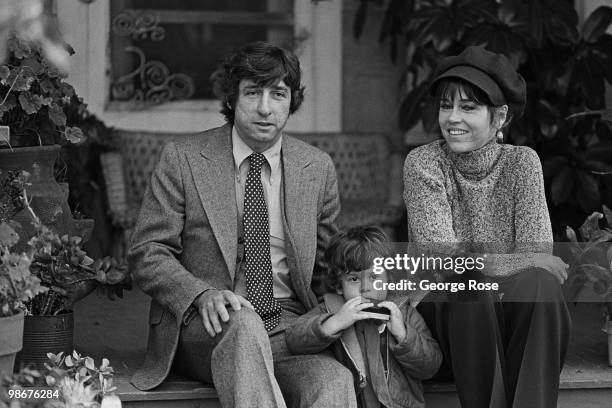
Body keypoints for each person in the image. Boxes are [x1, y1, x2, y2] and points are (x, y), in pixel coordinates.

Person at [128, 41, 357, 408]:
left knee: (333, 381)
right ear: (232, 98)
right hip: (209, 325)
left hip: (289, 326)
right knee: (243, 324)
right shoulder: (183, 159)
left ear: (292, 101)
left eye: (278, 94)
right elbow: (147, 252)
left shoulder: (316, 167)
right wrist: (201, 294)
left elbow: (331, 264)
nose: (265, 108)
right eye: (252, 93)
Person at [403, 45, 572, 408]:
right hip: (449, 321)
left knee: (539, 283)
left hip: (508, 320)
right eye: (446, 105)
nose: (452, 117)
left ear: (501, 117)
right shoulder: (424, 163)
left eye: (468, 107)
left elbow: (537, 256)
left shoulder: (522, 163)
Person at [285, 226, 442, 408]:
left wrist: (404, 335)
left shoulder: (404, 314)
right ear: (338, 285)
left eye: (374, 276)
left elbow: (431, 366)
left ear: (389, 279)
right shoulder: (331, 310)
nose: (365, 288)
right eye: (354, 279)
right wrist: (334, 323)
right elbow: (293, 340)